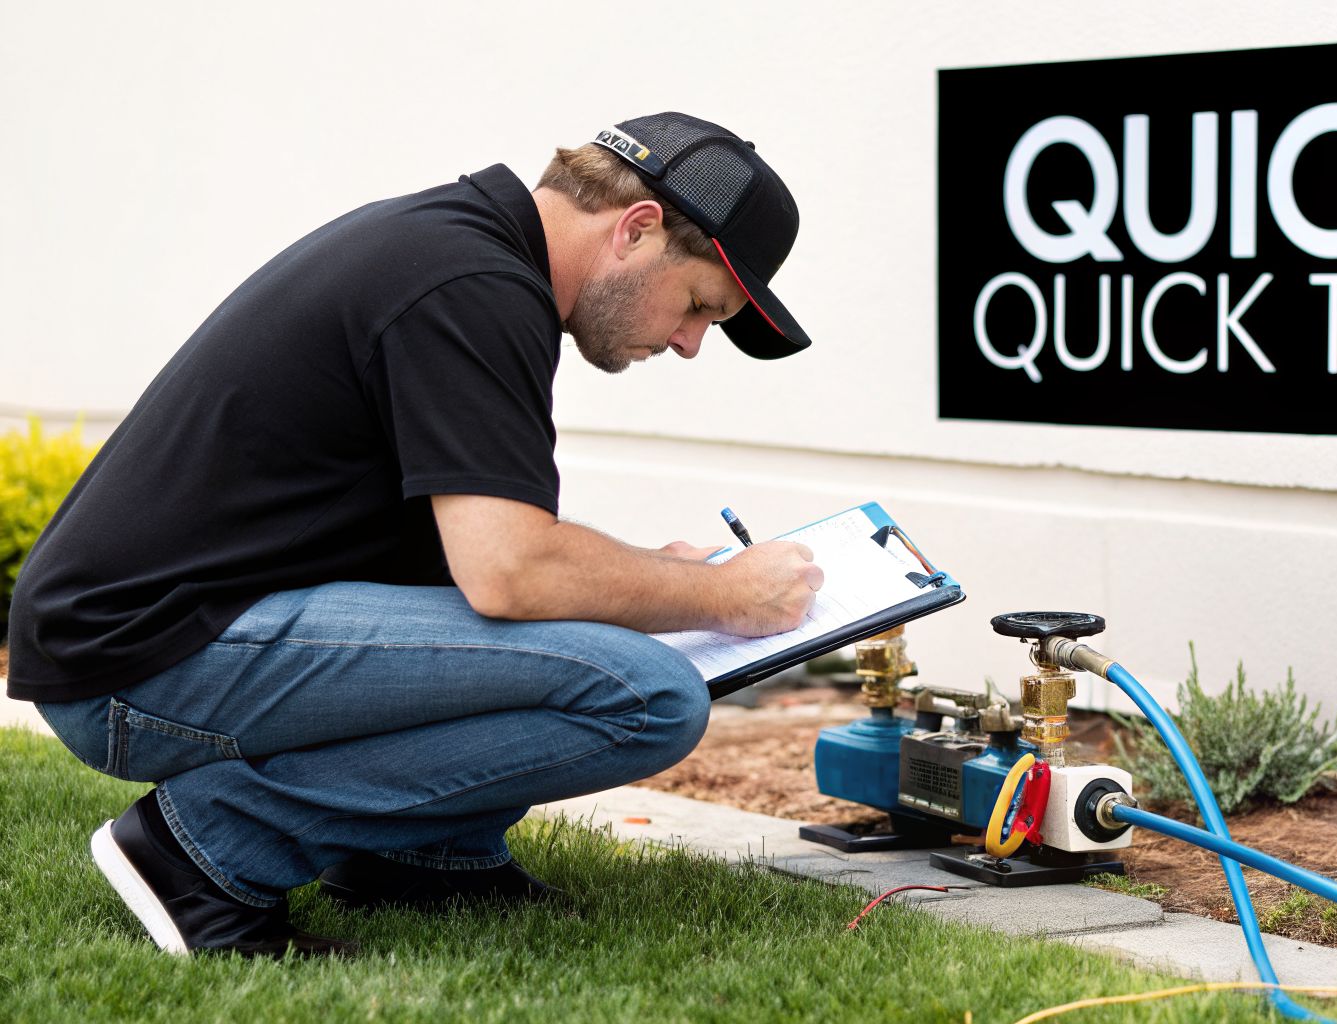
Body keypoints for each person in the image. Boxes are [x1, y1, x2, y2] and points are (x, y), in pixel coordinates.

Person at [5, 112, 824, 958]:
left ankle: (421, 855)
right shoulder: (470, 285)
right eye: (700, 305)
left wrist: (656, 574)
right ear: (638, 228)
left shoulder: (463, 253)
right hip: (142, 662)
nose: (690, 344)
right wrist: (724, 596)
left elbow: (479, 541)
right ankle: (204, 851)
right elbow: (509, 573)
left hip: (173, 630)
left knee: (595, 630)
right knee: (648, 695)